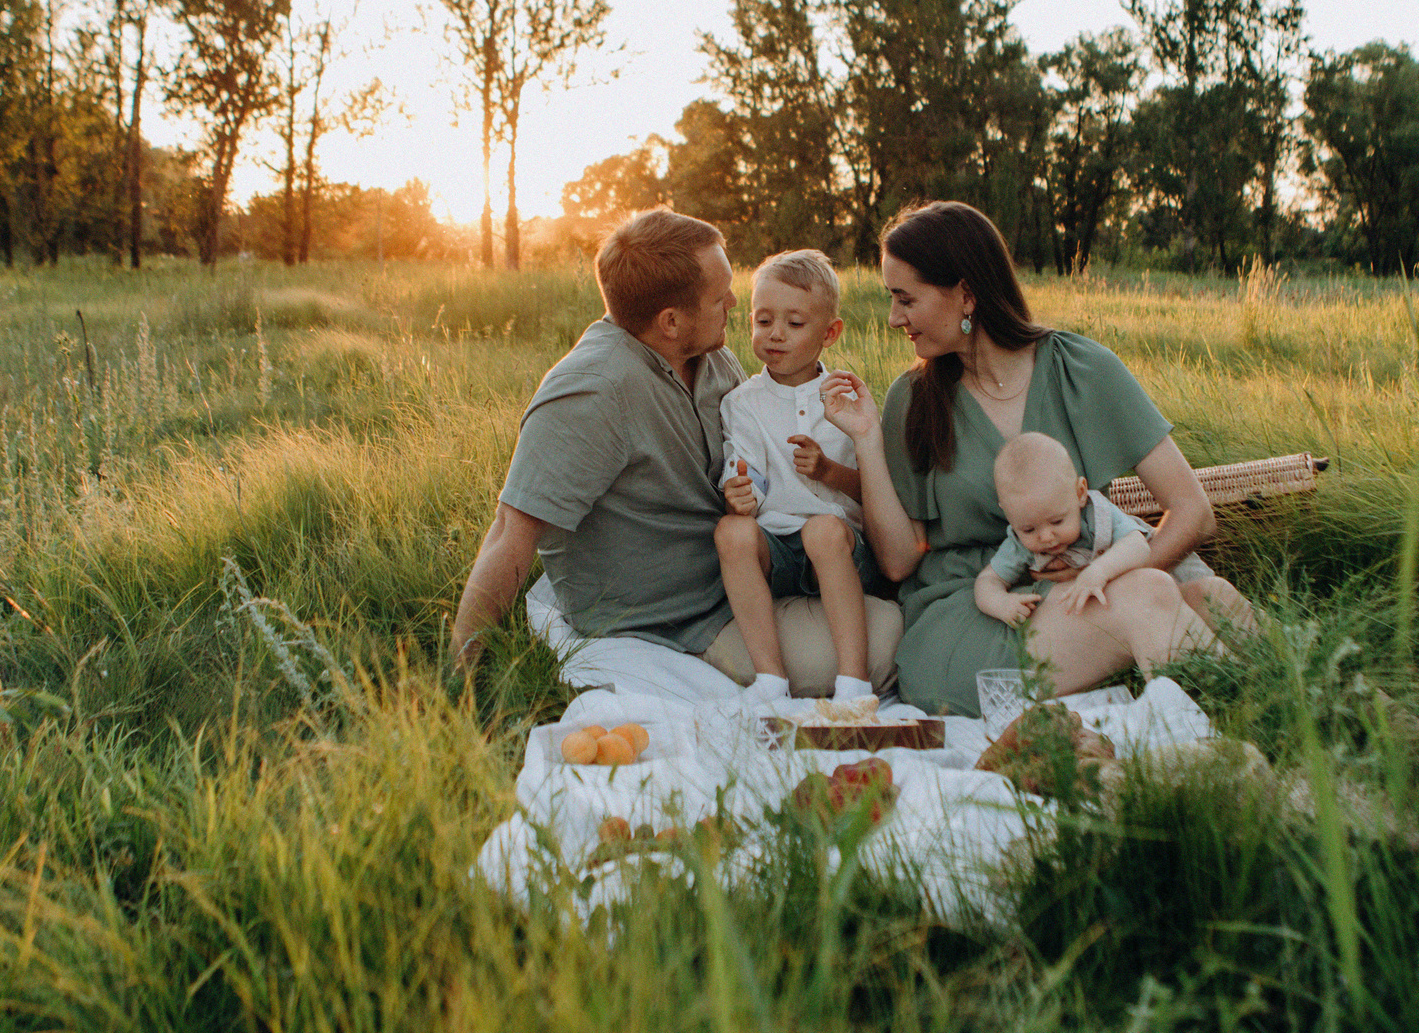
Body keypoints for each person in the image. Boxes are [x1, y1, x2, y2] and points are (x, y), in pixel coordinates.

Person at [820, 200, 1257, 716]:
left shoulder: (1082, 369)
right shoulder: (912, 400)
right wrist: (868, 439)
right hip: (983, 611)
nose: (894, 319)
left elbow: (1192, 511)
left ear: (964, 293)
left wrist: (1103, 576)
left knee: (1216, 598)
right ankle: (1247, 739)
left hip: (1090, 579)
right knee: (1146, 598)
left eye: (905, 299)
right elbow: (897, 560)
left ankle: (1332, 721)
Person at [450, 209, 899, 702]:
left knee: (891, 611)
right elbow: (510, 533)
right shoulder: (591, 393)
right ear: (670, 321)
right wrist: (461, 678)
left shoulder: (710, 356)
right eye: (719, 296)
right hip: (680, 617)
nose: (734, 301)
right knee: (887, 646)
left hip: (747, 570)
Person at [714, 250, 892, 705]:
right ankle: (770, 680)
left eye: (794, 324)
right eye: (763, 320)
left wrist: (830, 472)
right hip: (779, 550)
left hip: (843, 549)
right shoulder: (741, 403)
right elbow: (748, 470)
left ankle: (854, 682)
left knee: (823, 529)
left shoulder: (845, 398)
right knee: (731, 532)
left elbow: (872, 488)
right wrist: (741, 495)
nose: (774, 335)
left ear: (829, 333)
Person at [973, 431, 1157, 625]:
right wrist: (1001, 603)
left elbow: (1139, 546)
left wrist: (1099, 571)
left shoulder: (1098, 514)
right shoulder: (1019, 545)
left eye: (1057, 521)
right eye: (1028, 530)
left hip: (1163, 572)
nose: (1045, 537)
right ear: (1008, 515)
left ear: (1080, 493)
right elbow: (988, 581)